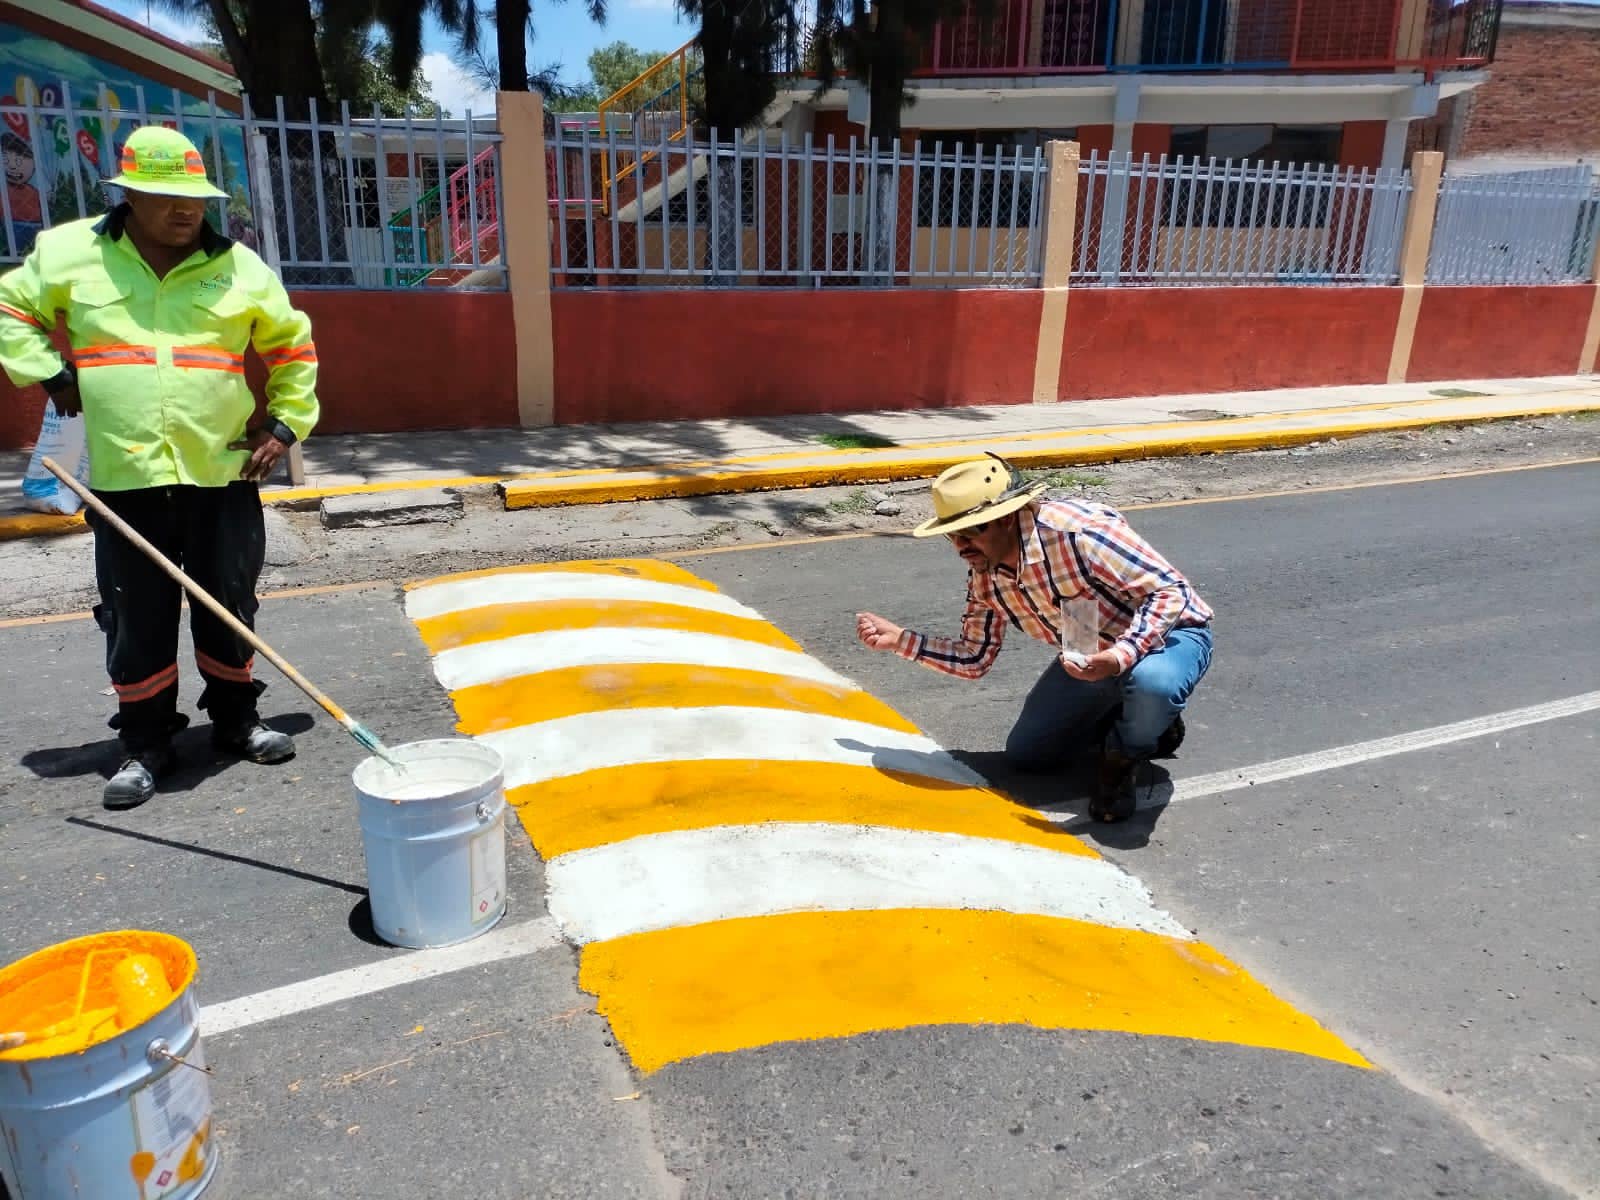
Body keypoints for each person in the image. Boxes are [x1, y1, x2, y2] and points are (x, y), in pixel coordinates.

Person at [0, 126, 319, 810]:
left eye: (195, 199)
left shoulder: (240, 267)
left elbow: (294, 348)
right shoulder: (69, 253)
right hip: (123, 476)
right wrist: (51, 372)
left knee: (228, 605)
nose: (185, 211)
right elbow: (10, 310)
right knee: (134, 614)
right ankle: (146, 743)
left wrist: (286, 423)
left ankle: (236, 721)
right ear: (128, 195)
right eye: (166, 198)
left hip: (223, 471)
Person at [856, 454, 1213, 823]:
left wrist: (1123, 654)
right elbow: (975, 657)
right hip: (1088, 644)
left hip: (1169, 635)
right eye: (952, 534)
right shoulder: (985, 577)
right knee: (1029, 754)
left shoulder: (1079, 532)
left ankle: (1123, 757)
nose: (961, 546)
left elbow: (1171, 591)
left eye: (972, 531)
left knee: (1153, 684)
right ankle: (1138, 716)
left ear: (1006, 517)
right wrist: (901, 641)